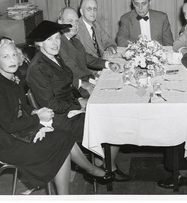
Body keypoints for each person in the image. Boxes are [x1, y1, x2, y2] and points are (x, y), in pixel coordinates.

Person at [0, 37, 114, 195]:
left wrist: (35, 111)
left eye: (13, 55)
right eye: (5, 57)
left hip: (19, 130)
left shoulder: (14, 77)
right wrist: (38, 118)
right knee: (60, 144)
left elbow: (22, 107)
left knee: (63, 137)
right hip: (7, 142)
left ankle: (88, 174)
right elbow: (10, 125)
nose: (12, 60)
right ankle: (90, 173)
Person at [26, 20, 130, 182]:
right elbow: (50, 104)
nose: (55, 43)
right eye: (49, 40)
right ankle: (103, 168)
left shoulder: (54, 57)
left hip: (69, 106)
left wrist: (79, 98)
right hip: (59, 118)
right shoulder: (38, 68)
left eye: (57, 38)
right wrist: (79, 105)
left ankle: (103, 163)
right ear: (39, 43)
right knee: (113, 123)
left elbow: (66, 84)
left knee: (115, 113)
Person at [57, 7, 120, 99]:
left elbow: (88, 59)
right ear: (60, 22)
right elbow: (61, 74)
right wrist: (82, 84)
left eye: (76, 21)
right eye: (70, 21)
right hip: (77, 91)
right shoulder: (57, 45)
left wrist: (108, 64)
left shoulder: (75, 41)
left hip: (90, 82)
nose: (74, 25)